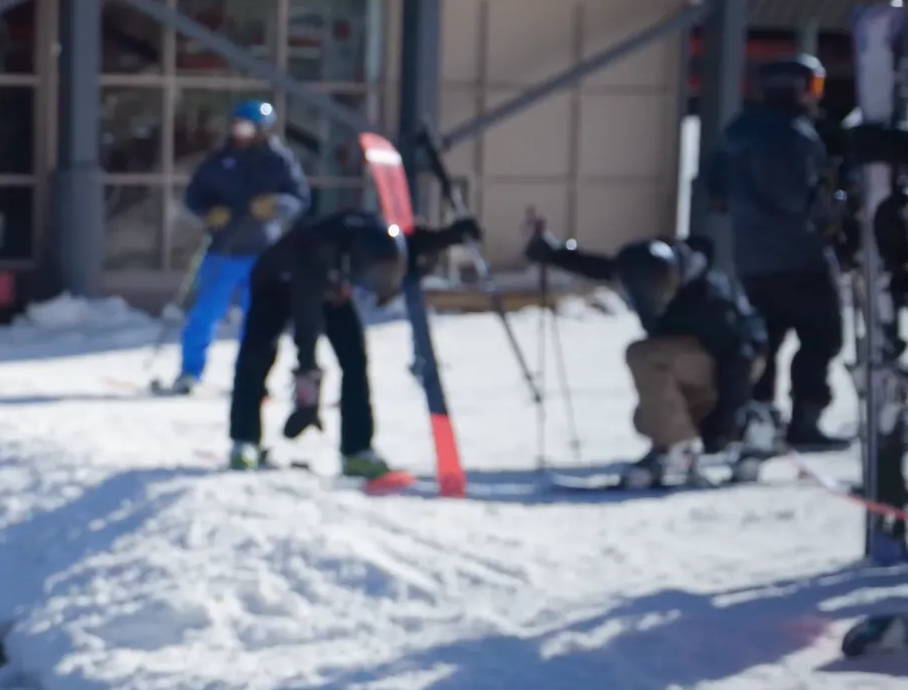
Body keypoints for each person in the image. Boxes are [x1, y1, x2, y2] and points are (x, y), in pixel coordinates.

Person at [227, 208, 479, 474]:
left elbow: (410, 243)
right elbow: (307, 329)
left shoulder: (378, 240)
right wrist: (307, 398)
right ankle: (244, 441)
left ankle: (357, 449)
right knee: (257, 354)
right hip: (276, 283)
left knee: (354, 357)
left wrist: (451, 236)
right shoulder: (313, 253)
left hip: (332, 283)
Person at [527, 232, 772, 487]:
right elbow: (607, 269)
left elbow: (739, 357)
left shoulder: (710, 298)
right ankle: (749, 430)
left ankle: (680, 447)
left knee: (645, 356)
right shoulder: (653, 276)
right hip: (699, 361)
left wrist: (724, 421)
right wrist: (555, 254)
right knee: (647, 418)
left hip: (735, 363)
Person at [699, 54, 845, 450]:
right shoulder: (798, 136)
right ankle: (805, 423)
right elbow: (805, 201)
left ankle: (756, 421)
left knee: (765, 342)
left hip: (752, 261)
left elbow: (713, 193)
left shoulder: (737, 132)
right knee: (821, 338)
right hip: (802, 259)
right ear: (798, 89)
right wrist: (835, 213)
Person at [167, 99, 309, 395]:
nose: (239, 132)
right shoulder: (219, 160)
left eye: (246, 126)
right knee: (204, 315)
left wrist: (276, 205)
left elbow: (298, 198)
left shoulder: (279, 161)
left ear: (262, 129)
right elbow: (194, 196)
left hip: (262, 252)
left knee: (259, 321)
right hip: (223, 250)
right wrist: (210, 211)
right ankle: (190, 373)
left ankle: (253, 378)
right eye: (236, 126)